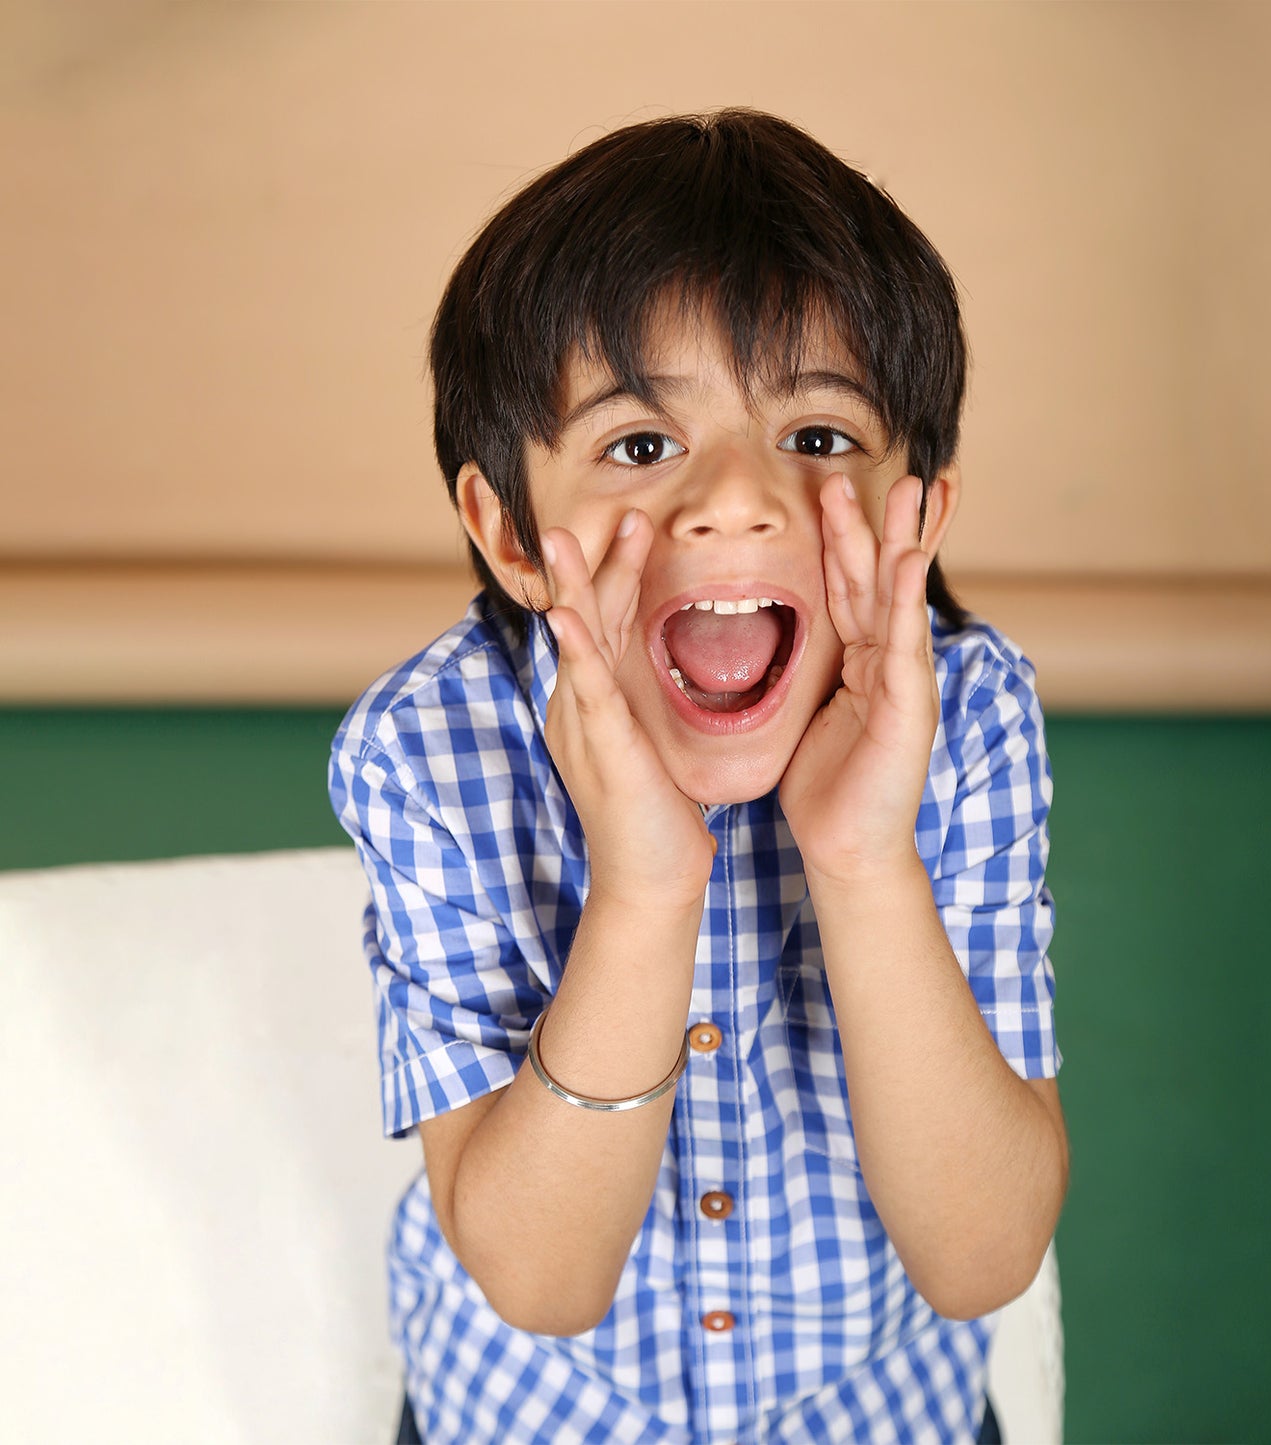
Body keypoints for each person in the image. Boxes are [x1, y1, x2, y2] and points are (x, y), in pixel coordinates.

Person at [329, 108, 1067, 1445]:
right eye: (639, 445)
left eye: (822, 438)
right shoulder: (427, 750)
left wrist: (863, 860)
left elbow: (981, 1255)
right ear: (510, 534)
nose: (737, 499)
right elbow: (539, 1281)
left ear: (918, 510)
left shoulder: (973, 718)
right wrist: (644, 892)